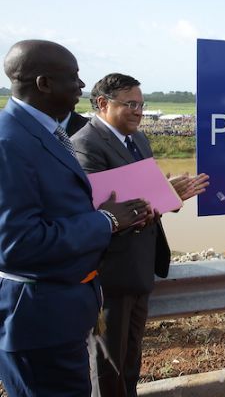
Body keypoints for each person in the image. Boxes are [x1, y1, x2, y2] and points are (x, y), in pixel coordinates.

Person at [0, 40, 150, 395]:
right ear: (43, 83)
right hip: (39, 320)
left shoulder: (47, 132)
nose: (82, 86)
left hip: (65, 312)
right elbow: (16, 244)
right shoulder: (10, 143)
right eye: (73, 77)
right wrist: (106, 221)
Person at [71, 73, 209, 397]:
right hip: (110, 274)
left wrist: (171, 196)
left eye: (141, 105)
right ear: (103, 104)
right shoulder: (85, 146)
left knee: (131, 361)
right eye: (130, 104)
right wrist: (162, 195)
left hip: (141, 268)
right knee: (108, 367)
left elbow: (149, 194)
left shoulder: (139, 140)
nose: (138, 111)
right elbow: (104, 211)